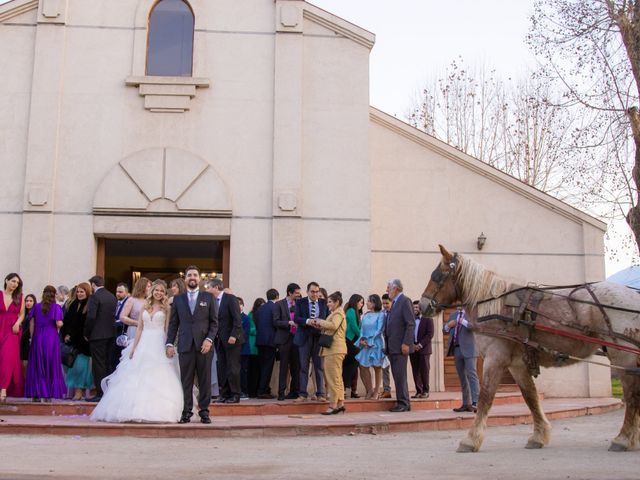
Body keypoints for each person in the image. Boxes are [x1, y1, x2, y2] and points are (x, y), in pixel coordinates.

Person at [91, 280, 184, 423]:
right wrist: (134, 347)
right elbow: (140, 328)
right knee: (136, 374)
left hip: (159, 341)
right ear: (152, 291)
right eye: (156, 290)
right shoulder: (144, 307)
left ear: (164, 293)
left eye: (161, 291)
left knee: (159, 373)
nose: (158, 293)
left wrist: (168, 345)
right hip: (144, 342)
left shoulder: (167, 308)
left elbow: (167, 329)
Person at [166, 266, 217, 424]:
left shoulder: (208, 298)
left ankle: (204, 411)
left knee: (204, 380)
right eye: (189, 275)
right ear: (185, 279)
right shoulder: (178, 299)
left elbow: (214, 323)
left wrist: (209, 340)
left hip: (204, 346)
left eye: (195, 275)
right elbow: (174, 324)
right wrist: (169, 343)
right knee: (186, 380)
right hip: (185, 345)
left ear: (199, 278)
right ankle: (186, 411)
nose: (192, 277)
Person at [24, 285, 67, 401]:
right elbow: (59, 324)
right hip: (51, 337)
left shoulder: (36, 307)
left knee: (37, 365)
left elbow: (31, 324)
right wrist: (63, 323)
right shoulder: (56, 307)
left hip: (38, 337)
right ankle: (48, 394)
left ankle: (36, 394)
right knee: (50, 364)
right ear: (54, 295)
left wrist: (32, 338)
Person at [205, 278, 243, 404]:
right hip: (219, 340)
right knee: (222, 368)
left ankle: (235, 394)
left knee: (233, 368)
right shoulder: (212, 301)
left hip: (232, 340)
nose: (207, 290)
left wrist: (234, 335)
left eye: (208, 287)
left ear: (216, 287)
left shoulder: (230, 298)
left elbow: (237, 319)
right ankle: (225, 394)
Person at [310, 291, 346, 415]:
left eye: (330, 302)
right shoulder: (336, 313)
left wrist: (319, 321)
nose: (328, 304)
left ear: (337, 302)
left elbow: (334, 325)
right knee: (337, 378)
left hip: (334, 349)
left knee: (332, 378)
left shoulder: (338, 313)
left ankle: (333, 405)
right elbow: (330, 327)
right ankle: (340, 404)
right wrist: (320, 326)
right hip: (335, 349)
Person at [84, 275, 117, 402]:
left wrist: (87, 333)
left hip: (97, 335)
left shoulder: (95, 297)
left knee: (98, 365)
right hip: (111, 334)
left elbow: (91, 317)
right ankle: (108, 391)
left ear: (93, 284)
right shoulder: (112, 296)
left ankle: (100, 393)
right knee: (107, 363)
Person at [384, 278, 415, 412]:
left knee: (400, 375)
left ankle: (403, 403)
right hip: (393, 346)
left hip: (400, 346)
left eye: (388, 288)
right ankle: (404, 402)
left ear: (395, 289)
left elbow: (410, 323)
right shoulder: (396, 303)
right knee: (397, 375)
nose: (387, 290)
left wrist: (406, 343)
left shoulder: (404, 301)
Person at [293, 282, 327, 402]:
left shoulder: (324, 303)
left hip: (318, 338)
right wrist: (308, 321)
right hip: (304, 338)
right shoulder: (300, 302)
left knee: (319, 367)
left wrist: (321, 323)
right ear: (307, 292)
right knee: (303, 367)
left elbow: (328, 319)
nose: (315, 294)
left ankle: (320, 394)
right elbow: (296, 318)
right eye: (312, 291)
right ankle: (302, 394)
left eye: (317, 291)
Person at [61, 283, 94, 401]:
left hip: (83, 343)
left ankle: (80, 391)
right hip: (72, 342)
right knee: (72, 368)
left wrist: (73, 335)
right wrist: (66, 334)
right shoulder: (73, 304)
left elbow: (85, 324)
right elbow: (67, 321)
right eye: (78, 292)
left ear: (87, 292)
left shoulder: (90, 305)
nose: (79, 294)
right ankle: (75, 391)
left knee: (81, 368)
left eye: (82, 292)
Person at [445, 307, 479, 413]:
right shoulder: (452, 315)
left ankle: (476, 402)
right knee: (462, 378)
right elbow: (444, 330)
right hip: (457, 349)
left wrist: (462, 321)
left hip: (470, 349)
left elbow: (475, 327)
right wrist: (448, 326)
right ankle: (466, 403)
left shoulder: (472, 313)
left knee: (472, 376)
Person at [273, 283, 301, 401]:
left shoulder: (300, 304)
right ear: (290, 293)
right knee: (284, 367)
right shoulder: (279, 304)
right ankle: (281, 392)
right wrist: (288, 323)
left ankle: (295, 391)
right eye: (296, 293)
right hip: (285, 339)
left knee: (296, 367)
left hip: (297, 339)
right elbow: (275, 321)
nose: (299, 294)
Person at [355, 294, 386, 399]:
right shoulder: (366, 315)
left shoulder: (381, 314)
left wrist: (371, 341)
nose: (366, 303)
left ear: (374, 303)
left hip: (375, 344)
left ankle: (377, 391)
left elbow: (379, 329)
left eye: (368, 301)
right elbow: (362, 329)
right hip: (365, 344)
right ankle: (369, 390)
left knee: (377, 367)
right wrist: (362, 340)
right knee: (363, 366)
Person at [0, 273, 25, 402]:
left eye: (17, 282)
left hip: (12, 331)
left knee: (7, 358)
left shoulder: (19, 297)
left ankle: (3, 388)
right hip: (0, 327)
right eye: (13, 281)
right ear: (6, 280)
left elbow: (22, 314)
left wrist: (17, 323)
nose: (15, 284)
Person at [255, 289, 279, 399]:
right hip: (271, 341)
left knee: (262, 366)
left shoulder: (260, 309)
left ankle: (261, 389)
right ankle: (263, 390)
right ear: (277, 296)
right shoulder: (275, 307)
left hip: (260, 340)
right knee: (268, 367)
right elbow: (276, 324)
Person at [410, 300, 434, 399]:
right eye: (413, 307)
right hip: (412, 348)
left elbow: (430, 334)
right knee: (415, 370)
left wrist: (420, 345)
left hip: (424, 349)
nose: (415, 309)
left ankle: (426, 391)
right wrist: (412, 345)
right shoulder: (410, 319)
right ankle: (418, 391)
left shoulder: (428, 318)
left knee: (424, 370)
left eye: (416, 307)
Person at [342, 294, 363, 398]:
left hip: (355, 341)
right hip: (349, 340)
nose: (362, 305)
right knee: (350, 364)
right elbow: (354, 327)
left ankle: (348, 388)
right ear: (355, 302)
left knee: (353, 365)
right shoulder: (351, 310)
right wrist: (363, 337)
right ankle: (345, 388)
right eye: (360, 302)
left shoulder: (357, 312)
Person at [242, 298, 263, 398]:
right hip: (252, 346)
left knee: (258, 370)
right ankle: (251, 391)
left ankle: (256, 390)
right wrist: (258, 330)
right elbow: (249, 329)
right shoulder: (250, 315)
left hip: (259, 347)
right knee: (251, 370)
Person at [112, 282, 130, 370]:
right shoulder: (114, 302)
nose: (117, 294)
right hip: (114, 334)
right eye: (117, 292)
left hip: (123, 333)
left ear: (126, 292)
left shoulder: (129, 302)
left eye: (120, 292)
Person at [20, 293, 37, 376]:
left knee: (26, 364)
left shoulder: (36, 314)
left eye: (31, 301)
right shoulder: (23, 314)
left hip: (30, 341)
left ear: (34, 302)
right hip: (21, 342)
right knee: (22, 364)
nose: (28, 303)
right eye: (26, 301)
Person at [379, 293, 392, 399]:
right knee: (385, 368)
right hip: (384, 344)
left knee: (397, 370)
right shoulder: (382, 313)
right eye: (383, 303)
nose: (385, 305)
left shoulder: (395, 313)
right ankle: (386, 390)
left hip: (394, 344)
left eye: (387, 303)